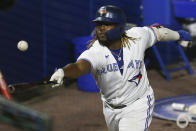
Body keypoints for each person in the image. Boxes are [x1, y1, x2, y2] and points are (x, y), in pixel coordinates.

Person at [50, 5, 192, 131]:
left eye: (107, 24)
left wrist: (179, 35)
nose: (101, 28)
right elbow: (79, 66)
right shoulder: (95, 51)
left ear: (120, 27)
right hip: (110, 109)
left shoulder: (137, 36)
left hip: (138, 104)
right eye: (99, 24)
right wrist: (63, 72)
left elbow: (159, 33)